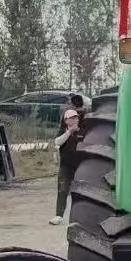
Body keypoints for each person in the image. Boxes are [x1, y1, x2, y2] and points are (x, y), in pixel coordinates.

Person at [50, 95, 86, 224]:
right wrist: (69, 132)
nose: (74, 120)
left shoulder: (84, 129)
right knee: (62, 189)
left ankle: (80, 217)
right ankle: (59, 216)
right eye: (71, 118)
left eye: (75, 117)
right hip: (66, 164)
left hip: (80, 165)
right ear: (66, 121)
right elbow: (57, 142)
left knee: (81, 191)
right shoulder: (64, 130)